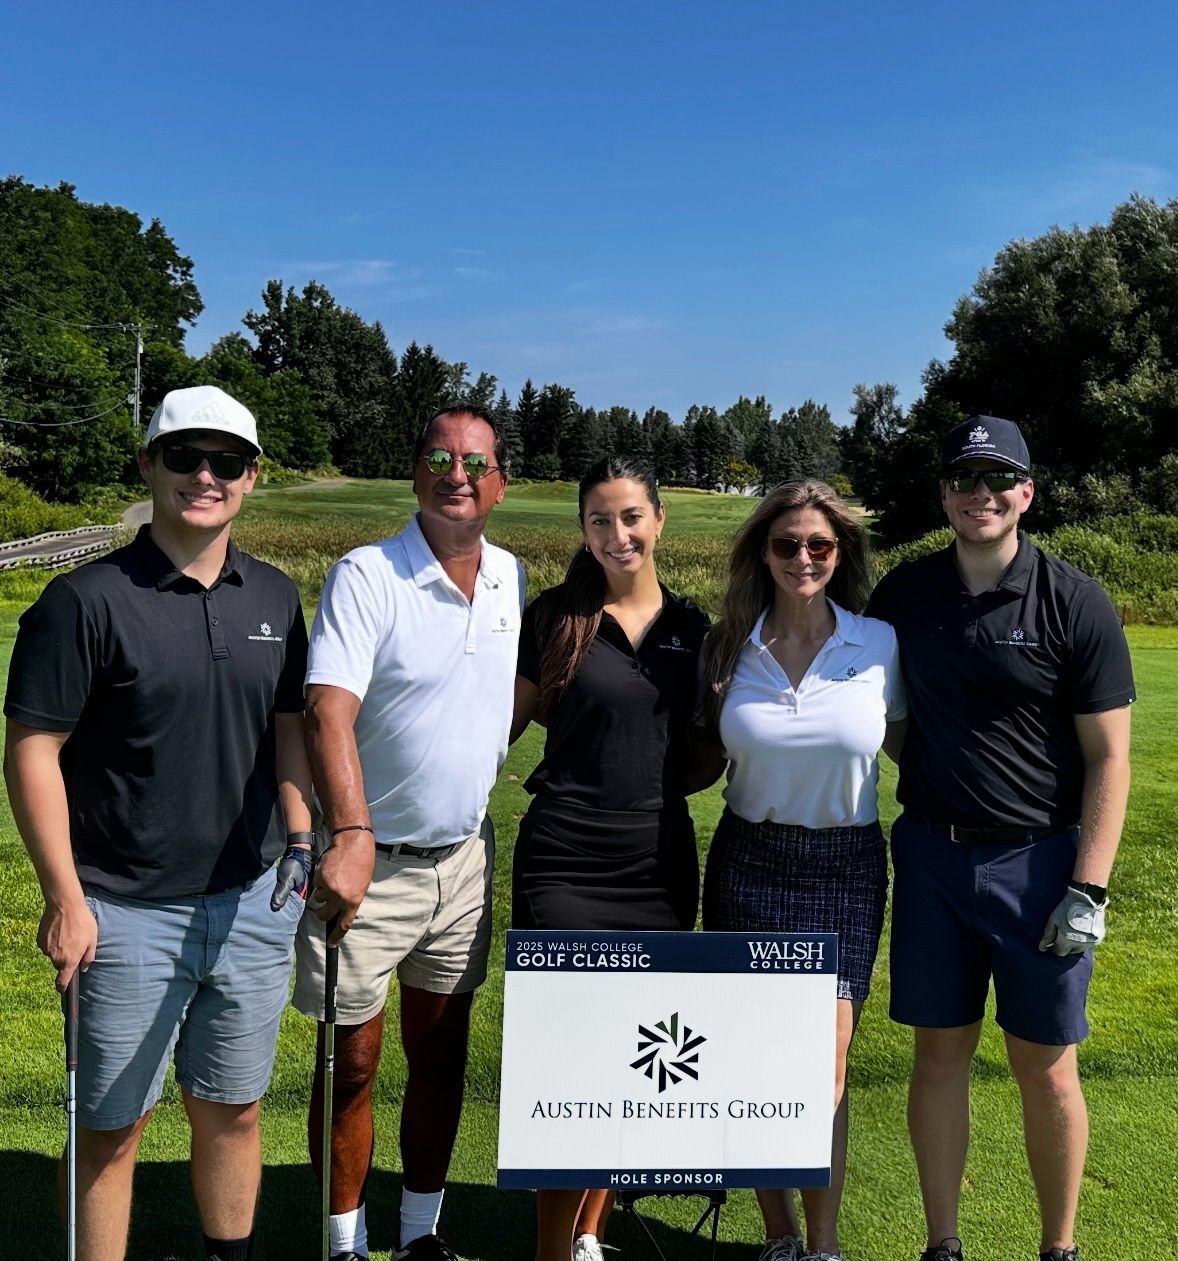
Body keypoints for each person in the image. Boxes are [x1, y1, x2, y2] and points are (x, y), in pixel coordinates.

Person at [4, 385, 314, 1261]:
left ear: (252, 476)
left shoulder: (276, 595)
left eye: (226, 460)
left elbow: (289, 732)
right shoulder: (83, 599)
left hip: (252, 901)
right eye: (184, 455)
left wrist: (300, 839)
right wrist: (64, 897)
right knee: (112, 1126)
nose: (204, 475)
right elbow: (32, 751)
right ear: (149, 464)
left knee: (234, 1108)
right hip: (121, 910)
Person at [866, 416, 1134, 1261]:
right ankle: (942, 1244)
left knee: (1046, 1064)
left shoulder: (1075, 599)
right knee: (939, 1054)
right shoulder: (904, 594)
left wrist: (1089, 887)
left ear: (1026, 491)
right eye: (963, 478)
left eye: (996, 478)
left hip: (1041, 863)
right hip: (933, 855)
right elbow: (885, 715)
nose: (978, 493)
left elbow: (1110, 756)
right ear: (944, 492)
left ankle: (1059, 1247)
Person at [293, 406, 525, 1261]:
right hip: (371, 862)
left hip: (462, 860)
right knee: (350, 1063)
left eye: (475, 462)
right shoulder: (368, 574)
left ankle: (420, 1234)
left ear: (500, 483)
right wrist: (351, 830)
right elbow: (327, 709)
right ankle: (344, 1242)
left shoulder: (510, 578)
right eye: (439, 457)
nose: (456, 474)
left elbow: (504, 697)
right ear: (415, 473)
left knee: (441, 1054)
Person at [695, 479, 906, 1261]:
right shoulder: (729, 645)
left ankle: (822, 1244)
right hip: (748, 860)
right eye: (787, 544)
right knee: (753, 1053)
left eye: (820, 544)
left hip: (845, 866)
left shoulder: (878, 642)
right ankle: (779, 1232)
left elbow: (914, 746)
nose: (803, 557)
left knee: (825, 1062)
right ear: (764, 552)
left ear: (841, 552)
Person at [510, 456, 709, 1261]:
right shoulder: (555, 616)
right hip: (565, 857)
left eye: (631, 516)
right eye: (600, 519)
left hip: (657, 861)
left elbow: (707, 751)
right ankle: (551, 1249)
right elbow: (500, 727)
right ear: (584, 530)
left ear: (659, 519)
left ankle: (591, 1230)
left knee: (631, 1057)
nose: (617, 533)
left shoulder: (695, 629)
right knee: (571, 1062)